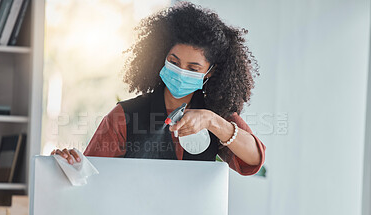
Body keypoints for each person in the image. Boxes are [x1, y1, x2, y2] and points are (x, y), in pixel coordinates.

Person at [51, 1, 266, 176]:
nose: (181, 72)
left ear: (209, 72)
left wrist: (212, 121)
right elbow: (91, 176)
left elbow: (254, 159)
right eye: (173, 62)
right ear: (160, 57)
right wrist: (72, 165)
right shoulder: (123, 117)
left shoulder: (216, 117)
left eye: (193, 67)